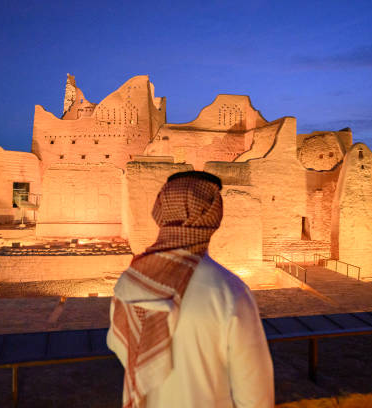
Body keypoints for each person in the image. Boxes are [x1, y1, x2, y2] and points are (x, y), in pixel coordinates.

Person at [107, 171, 274, 408]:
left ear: (160, 212)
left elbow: (119, 346)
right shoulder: (229, 291)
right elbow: (255, 393)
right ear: (213, 216)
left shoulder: (130, 281)